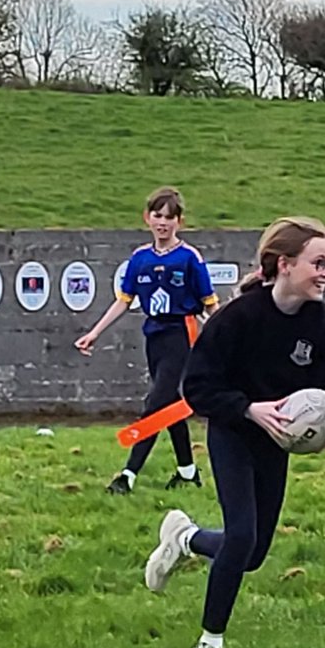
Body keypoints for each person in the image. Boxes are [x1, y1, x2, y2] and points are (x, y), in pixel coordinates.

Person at [140, 217, 325, 648]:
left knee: (252, 554)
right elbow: (197, 387)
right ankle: (210, 641)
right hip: (233, 432)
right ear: (285, 264)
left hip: (276, 443)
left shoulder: (323, 323)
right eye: (319, 263)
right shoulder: (238, 318)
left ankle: (186, 539)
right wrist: (249, 409)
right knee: (240, 537)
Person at [75, 187, 217, 494]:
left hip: (181, 333)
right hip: (154, 335)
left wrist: (226, 336)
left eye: (169, 217)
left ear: (179, 221)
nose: (163, 222)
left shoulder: (189, 258)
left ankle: (128, 475)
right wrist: (95, 333)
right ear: (147, 218)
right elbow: (124, 300)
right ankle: (188, 472)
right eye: (157, 216)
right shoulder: (140, 258)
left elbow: (210, 305)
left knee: (155, 405)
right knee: (169, 404)